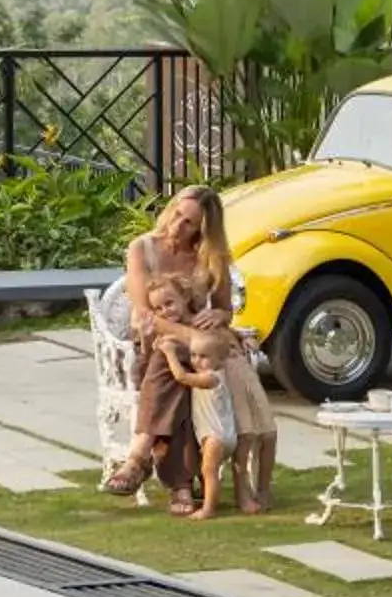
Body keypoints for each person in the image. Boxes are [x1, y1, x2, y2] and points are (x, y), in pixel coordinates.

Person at [102, 184, 232, 515]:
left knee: (180, 372)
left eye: (189, 222)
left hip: (193, 353)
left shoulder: (209, 257)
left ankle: (140, 458)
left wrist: (219, 314)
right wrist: (192, 337)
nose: (177, 225)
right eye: (176, 214)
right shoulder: (141, 248)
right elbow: (145, 315)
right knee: (172, 363)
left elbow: (225, 309)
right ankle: (180, 484)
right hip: (148, 345)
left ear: (203, 228)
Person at [163, 318, 275, 518]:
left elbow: (181, 377)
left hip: (217, 436)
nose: (197, 360)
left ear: (221, 360)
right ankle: (228, 500)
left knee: (210, 472)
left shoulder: (211, 378)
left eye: (203, 356)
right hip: (222, 433)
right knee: (212, 470)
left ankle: (208, 509)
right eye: (194, 355)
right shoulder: (212, 370)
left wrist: (169, 352)